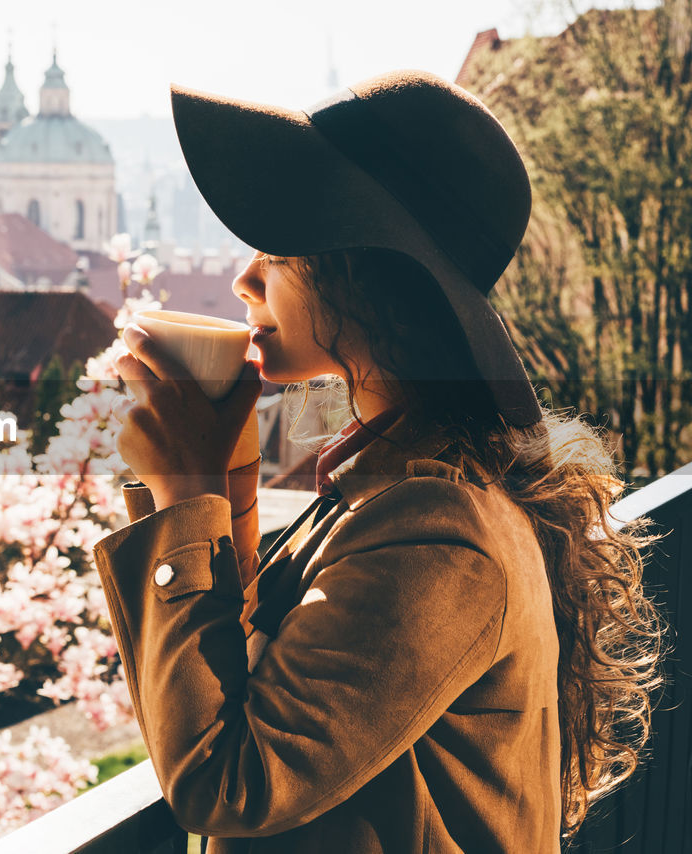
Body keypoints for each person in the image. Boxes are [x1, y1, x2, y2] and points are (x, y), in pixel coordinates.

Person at [94, 70, 664, 852]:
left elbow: (229, 783)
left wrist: (186, 494)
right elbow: (272, 674)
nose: (244, 278)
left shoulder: (439, 533)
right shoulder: (397, 486)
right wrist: (224, 485)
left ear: (366, 277)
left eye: (280, 253)